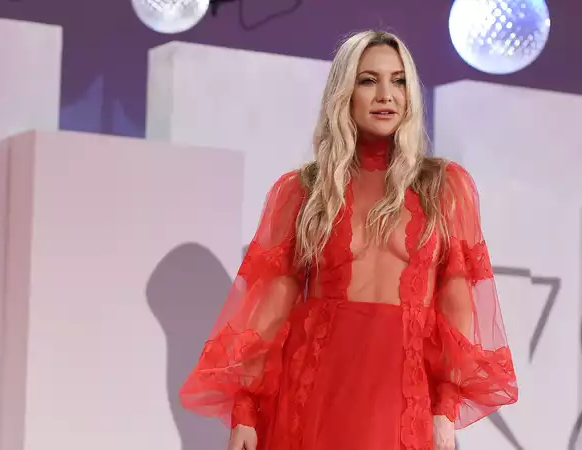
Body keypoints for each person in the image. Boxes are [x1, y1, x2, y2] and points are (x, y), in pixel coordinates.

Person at [179, 30, 518, 450]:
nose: (385, 95)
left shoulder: (443, 187)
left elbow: (457, 300)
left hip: (402, 399)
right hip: (314, 393)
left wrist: (444, 410)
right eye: (368, 80)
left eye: (398, 81)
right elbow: (270, 307)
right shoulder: (303, 189)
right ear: (345, 91)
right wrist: (245, 411)